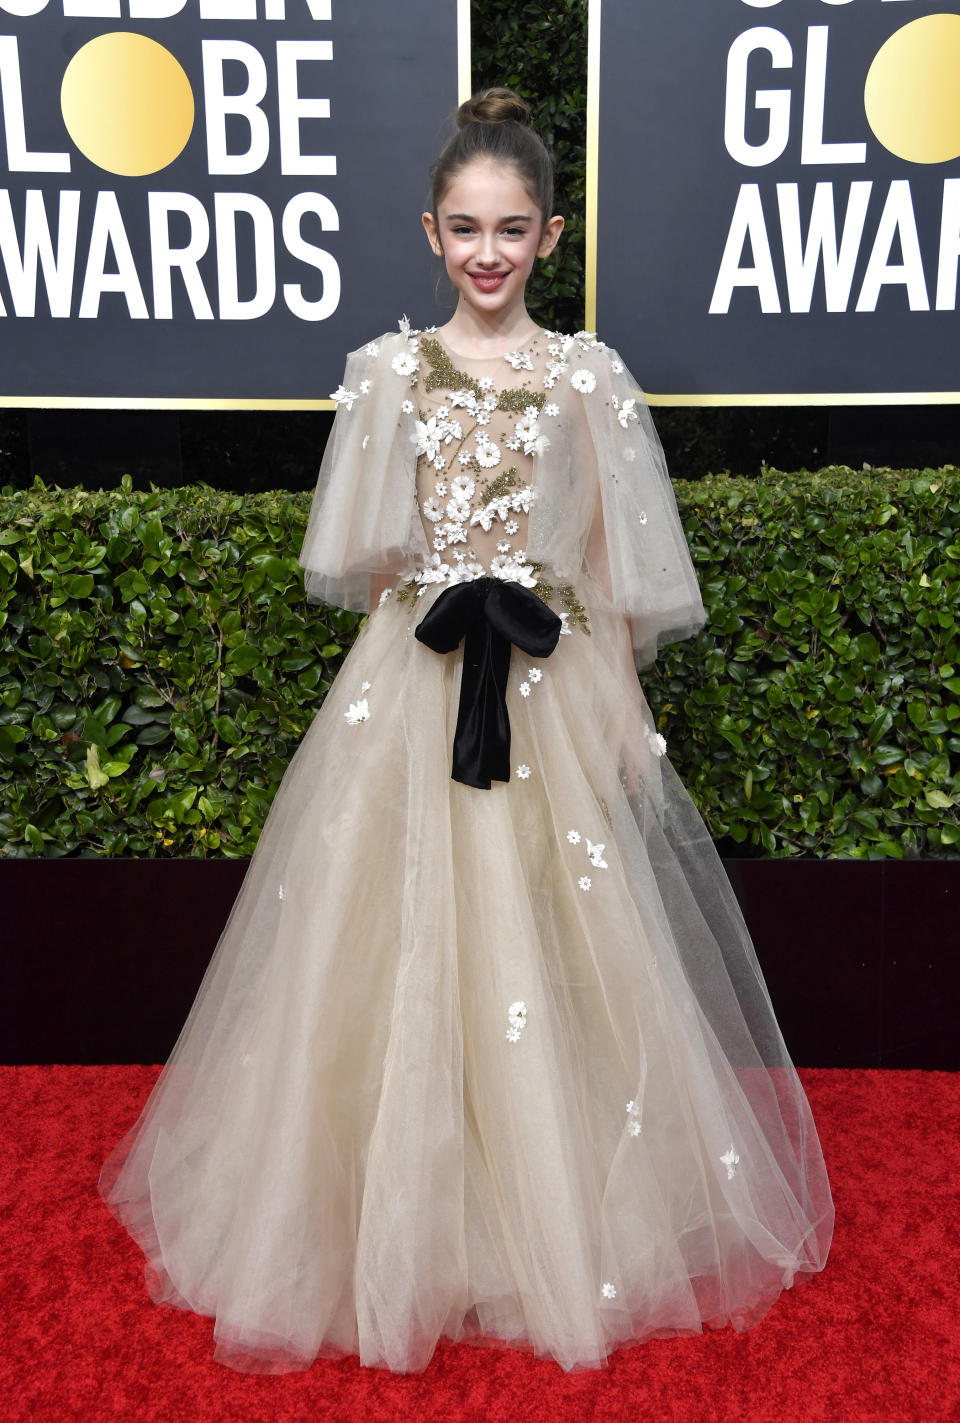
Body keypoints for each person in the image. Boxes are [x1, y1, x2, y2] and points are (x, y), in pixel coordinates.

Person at [98, 87, 834, 1376]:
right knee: (388, 939)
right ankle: (396, 1219)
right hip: (418, 678)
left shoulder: (588, 376)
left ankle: (549, 1216)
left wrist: (621, 708)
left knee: (556, 933)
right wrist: (388, 692)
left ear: (554, 234)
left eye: (512, 227)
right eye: (464, 228)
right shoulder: (386, 372)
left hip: (551, 684)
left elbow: (612, 565)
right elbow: (374, 565)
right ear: (428, 232)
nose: (487, 251)